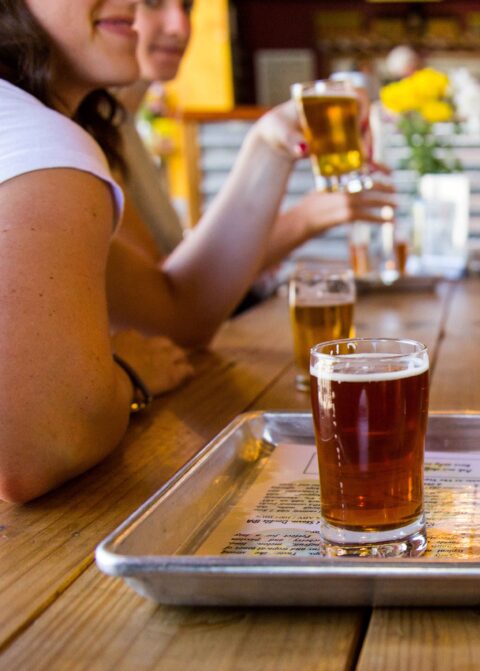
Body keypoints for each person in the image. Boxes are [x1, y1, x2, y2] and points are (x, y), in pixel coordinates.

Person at [0, 0, 361, 502]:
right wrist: (129, 371)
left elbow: (172, 315)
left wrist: (270, 146)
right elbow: (38, 447)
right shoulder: (40, 144)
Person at [115, 0, 395, 272]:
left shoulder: (123, 125)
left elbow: (180, 283)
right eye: (152, 2)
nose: (180, 27)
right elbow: (167, 295)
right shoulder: (93, 138)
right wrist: (306, 216)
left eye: (187, 6)